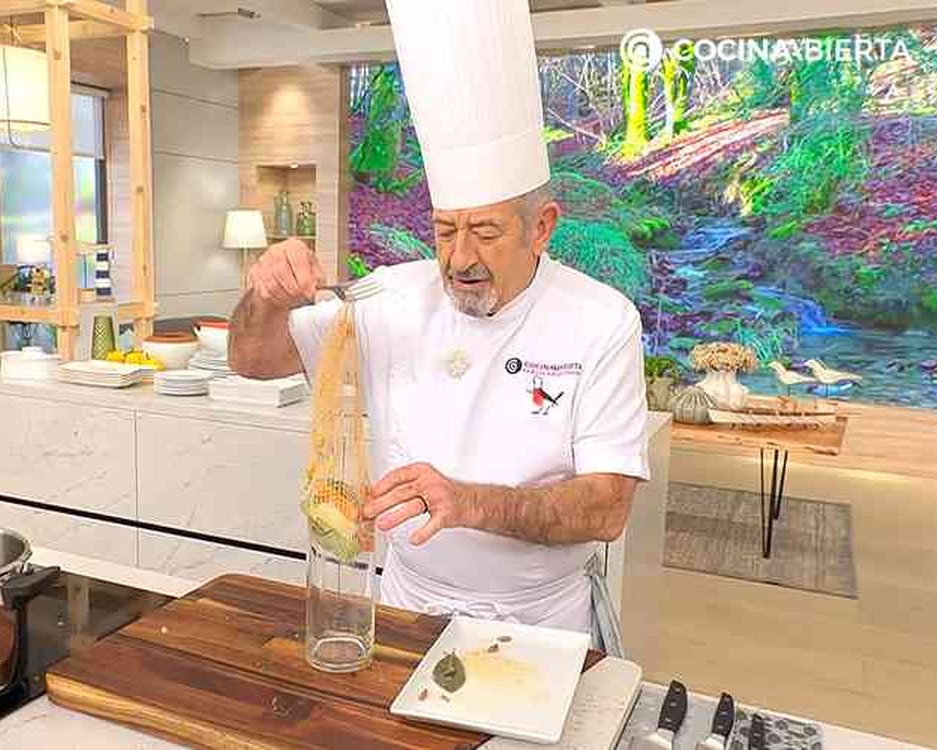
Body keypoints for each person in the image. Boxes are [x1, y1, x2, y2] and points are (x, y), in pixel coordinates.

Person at [228, 0, 648, 652]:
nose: (458, 260)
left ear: (542, 228)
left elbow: (607, 507)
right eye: (445, 229)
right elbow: (254, 359)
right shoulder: (390, 295)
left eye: (484, 232)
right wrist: (265, 296)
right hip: (404, 610)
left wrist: (466, 502)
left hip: (537, 626)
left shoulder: (601, 321)